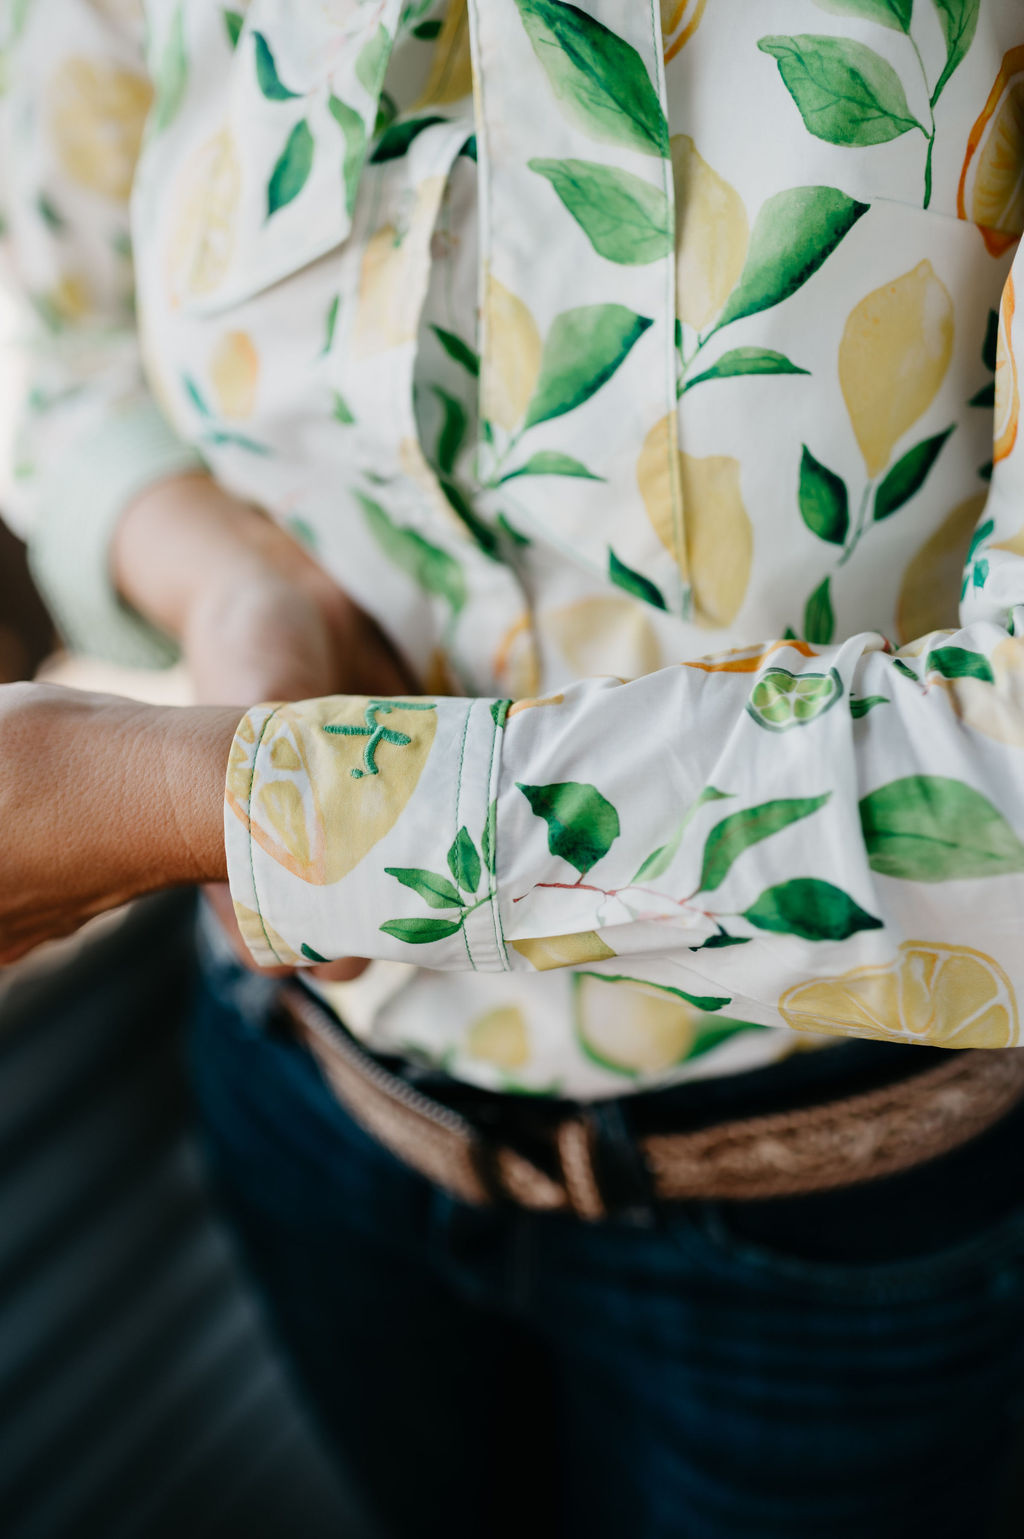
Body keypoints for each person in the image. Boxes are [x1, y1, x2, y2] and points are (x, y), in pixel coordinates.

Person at [4, 1, 1024, 1534]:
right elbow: (55, 326)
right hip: (306, 1096)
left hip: (832, 1225)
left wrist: (209, 802)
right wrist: (233, 589)